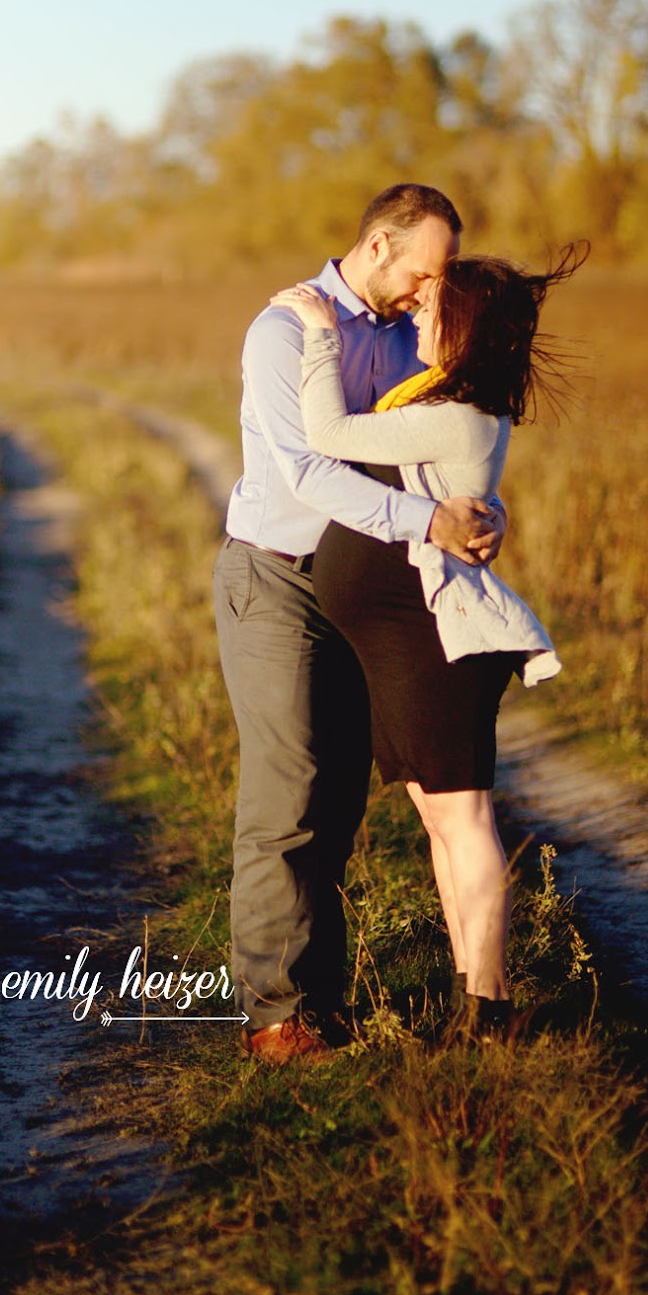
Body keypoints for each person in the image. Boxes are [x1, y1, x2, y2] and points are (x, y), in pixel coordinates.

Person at [213, 184, 506, 1064]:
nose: (429, 291)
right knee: (287, 793)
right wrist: (429, 522)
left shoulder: (413, 336)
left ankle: (322, 1000)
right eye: (423, 271)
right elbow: (308, 470)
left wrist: (480, 510)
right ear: (378, 245)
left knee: (339, 799)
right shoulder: (283, 330)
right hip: (277, 579)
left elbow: (439, 450)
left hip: (368, 592)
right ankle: (273, 1017)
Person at [272, 247, 582, 1036]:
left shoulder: (455, 413)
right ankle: (468, 995)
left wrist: (319, 333)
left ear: (464, 324)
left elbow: (326, 432)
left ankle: (490, 1004)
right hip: (404, 640)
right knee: (443, 823)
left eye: (433, 304)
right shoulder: (442, 401)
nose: (417, 311)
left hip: (433, 639)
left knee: (462, 819)